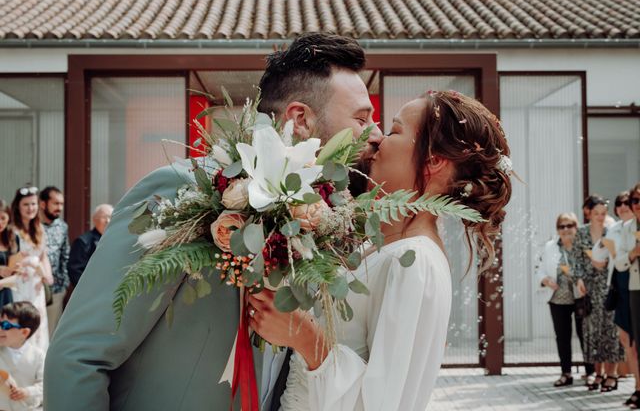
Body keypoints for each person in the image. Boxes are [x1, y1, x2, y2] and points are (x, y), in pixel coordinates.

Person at [44, 32, 383, 410]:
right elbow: (78, 357)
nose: (377, 135)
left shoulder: (317, 218)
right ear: (300, 119)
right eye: (361, 118)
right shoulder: (181, 190)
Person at [249, 90, 512, 410]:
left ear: (433, 161)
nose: (377, 138)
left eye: (394, 131)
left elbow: (387, 403)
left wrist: (306, 338)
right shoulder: (385, 245)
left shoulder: (417, 264)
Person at [574, 196, 625, 392]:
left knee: (611, 330)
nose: (600, 217)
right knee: (592, 331)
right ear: (588, 213)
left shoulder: (611, 231)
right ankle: (598, 373)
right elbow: (575, 259)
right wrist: (578, 279)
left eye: (603, 213)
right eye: (596, 213)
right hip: (589, 287)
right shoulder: (581, 232)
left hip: (610, 286)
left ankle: (612, 374)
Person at [536, 212, 593, 386]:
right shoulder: (550, 246)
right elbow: (539, 268)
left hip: (580, 297)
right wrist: (544, 279)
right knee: (562, 336)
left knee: (585, 335)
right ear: (557, 229)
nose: (566, 229)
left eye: (570, 225)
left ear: (576, 227)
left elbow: (592, 269)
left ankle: (591, 372)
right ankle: (566, 373)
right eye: (562, 226)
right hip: (558, 298)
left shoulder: (583, 245)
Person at [10, 187, 53, 355]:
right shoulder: (12, 230)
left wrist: (47, 276)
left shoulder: (40, 229)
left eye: (33, 204)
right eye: (26, 204)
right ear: (18, 206)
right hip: (19, 281)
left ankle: (38, 362)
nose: (30, 208)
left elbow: (43, 256)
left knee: (38, 320)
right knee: (20, 318)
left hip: (36, 283)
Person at [615, 182, 640, 408]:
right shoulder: (627, 228)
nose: (637, 205)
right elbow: (619, 262)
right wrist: (633, 253)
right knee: (635, 343)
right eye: (635, 200)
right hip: (634, 289)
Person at [0, 301, 45, 410]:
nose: (0, 329)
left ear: (24, 332)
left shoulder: (38, 356)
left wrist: (28, 391)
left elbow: (44, 384)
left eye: (6, 325)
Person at [38, 186, 70, 336]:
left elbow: (65, 256)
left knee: (51, 333)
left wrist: (63, 286)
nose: (60, 208)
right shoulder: (31, 226)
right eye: (56, 203)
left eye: (61, 204)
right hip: (33, 287)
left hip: (55, 291)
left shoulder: (62, 227)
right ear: (43, 204)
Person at [67, 204, 113, 288]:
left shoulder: (115, 239)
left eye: (110, 217)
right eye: (104, 217)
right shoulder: (83, 241)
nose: (108, 221)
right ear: (94, 220)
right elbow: (75, 271)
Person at [0, 200, 16, 307]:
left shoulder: (13, 238)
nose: (0, 222)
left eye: (3, 218)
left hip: (6, 291)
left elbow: (15, 272)